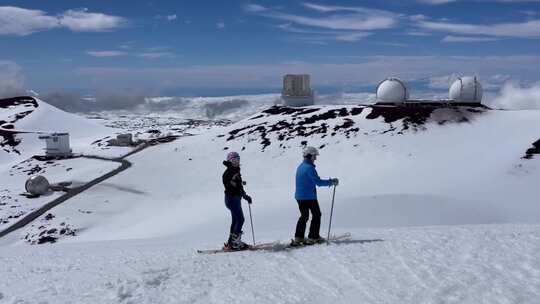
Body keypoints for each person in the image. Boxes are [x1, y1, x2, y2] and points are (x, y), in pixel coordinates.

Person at [292, 146, 339, 246]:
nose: (315, 158)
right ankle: (313, 237)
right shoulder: (309, 168)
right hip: (309, 197)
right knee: (317, 214)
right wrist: (332, 182)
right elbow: (318, 182)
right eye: (314, 156)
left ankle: (299, 237)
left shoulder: (300, 166)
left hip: (299, 197)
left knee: (304, 216)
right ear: (309, 156)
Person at [222, 151, 253, 250]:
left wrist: (244, 195)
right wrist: (241, 192)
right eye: (234, 160)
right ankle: (235, 243)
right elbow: (232, 187)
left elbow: (238, 186)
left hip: (234, 199)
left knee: (235, 220)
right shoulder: (229, 172)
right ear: (230, 161)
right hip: (232, 199)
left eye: (238, 159)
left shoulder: (235, 170)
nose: (236, 162)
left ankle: (231, 242)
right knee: (240, 219)